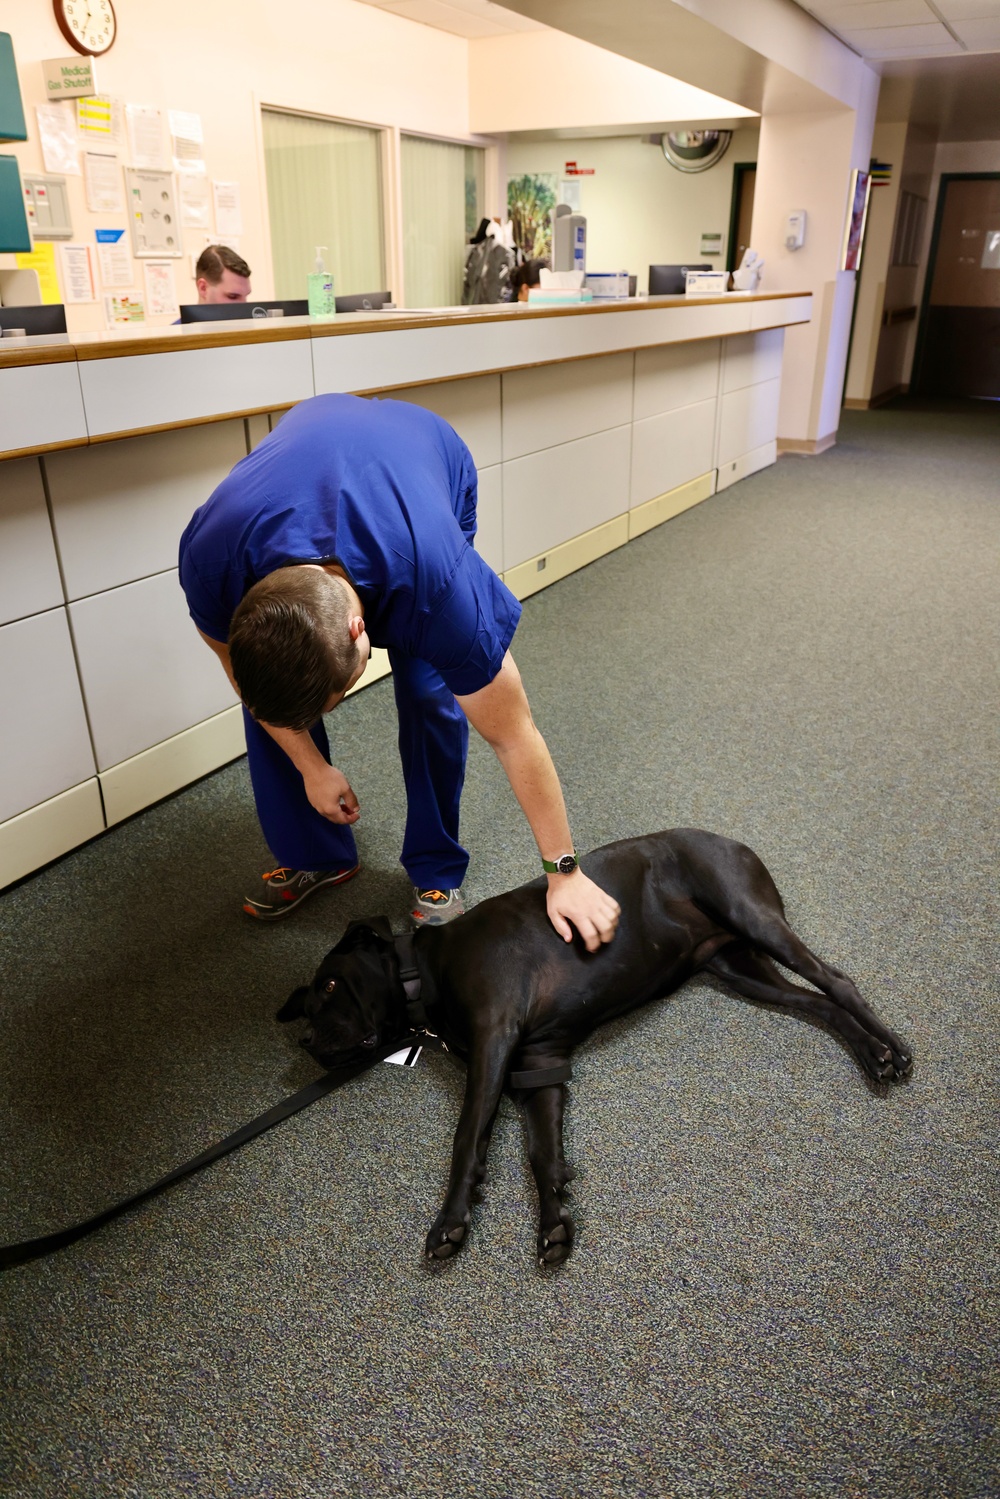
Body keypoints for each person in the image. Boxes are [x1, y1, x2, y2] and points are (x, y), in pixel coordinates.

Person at [178, 393, 620, 952]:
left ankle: (435, 870)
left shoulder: (437, 585)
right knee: (274, 693)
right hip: (313, 449)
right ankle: (315, 854)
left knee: (428, 687)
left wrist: (565, 873)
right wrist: (310, 765)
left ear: (363, 632)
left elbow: (513, 734)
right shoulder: (211, 561)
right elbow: (248, 686)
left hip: (427, 457)